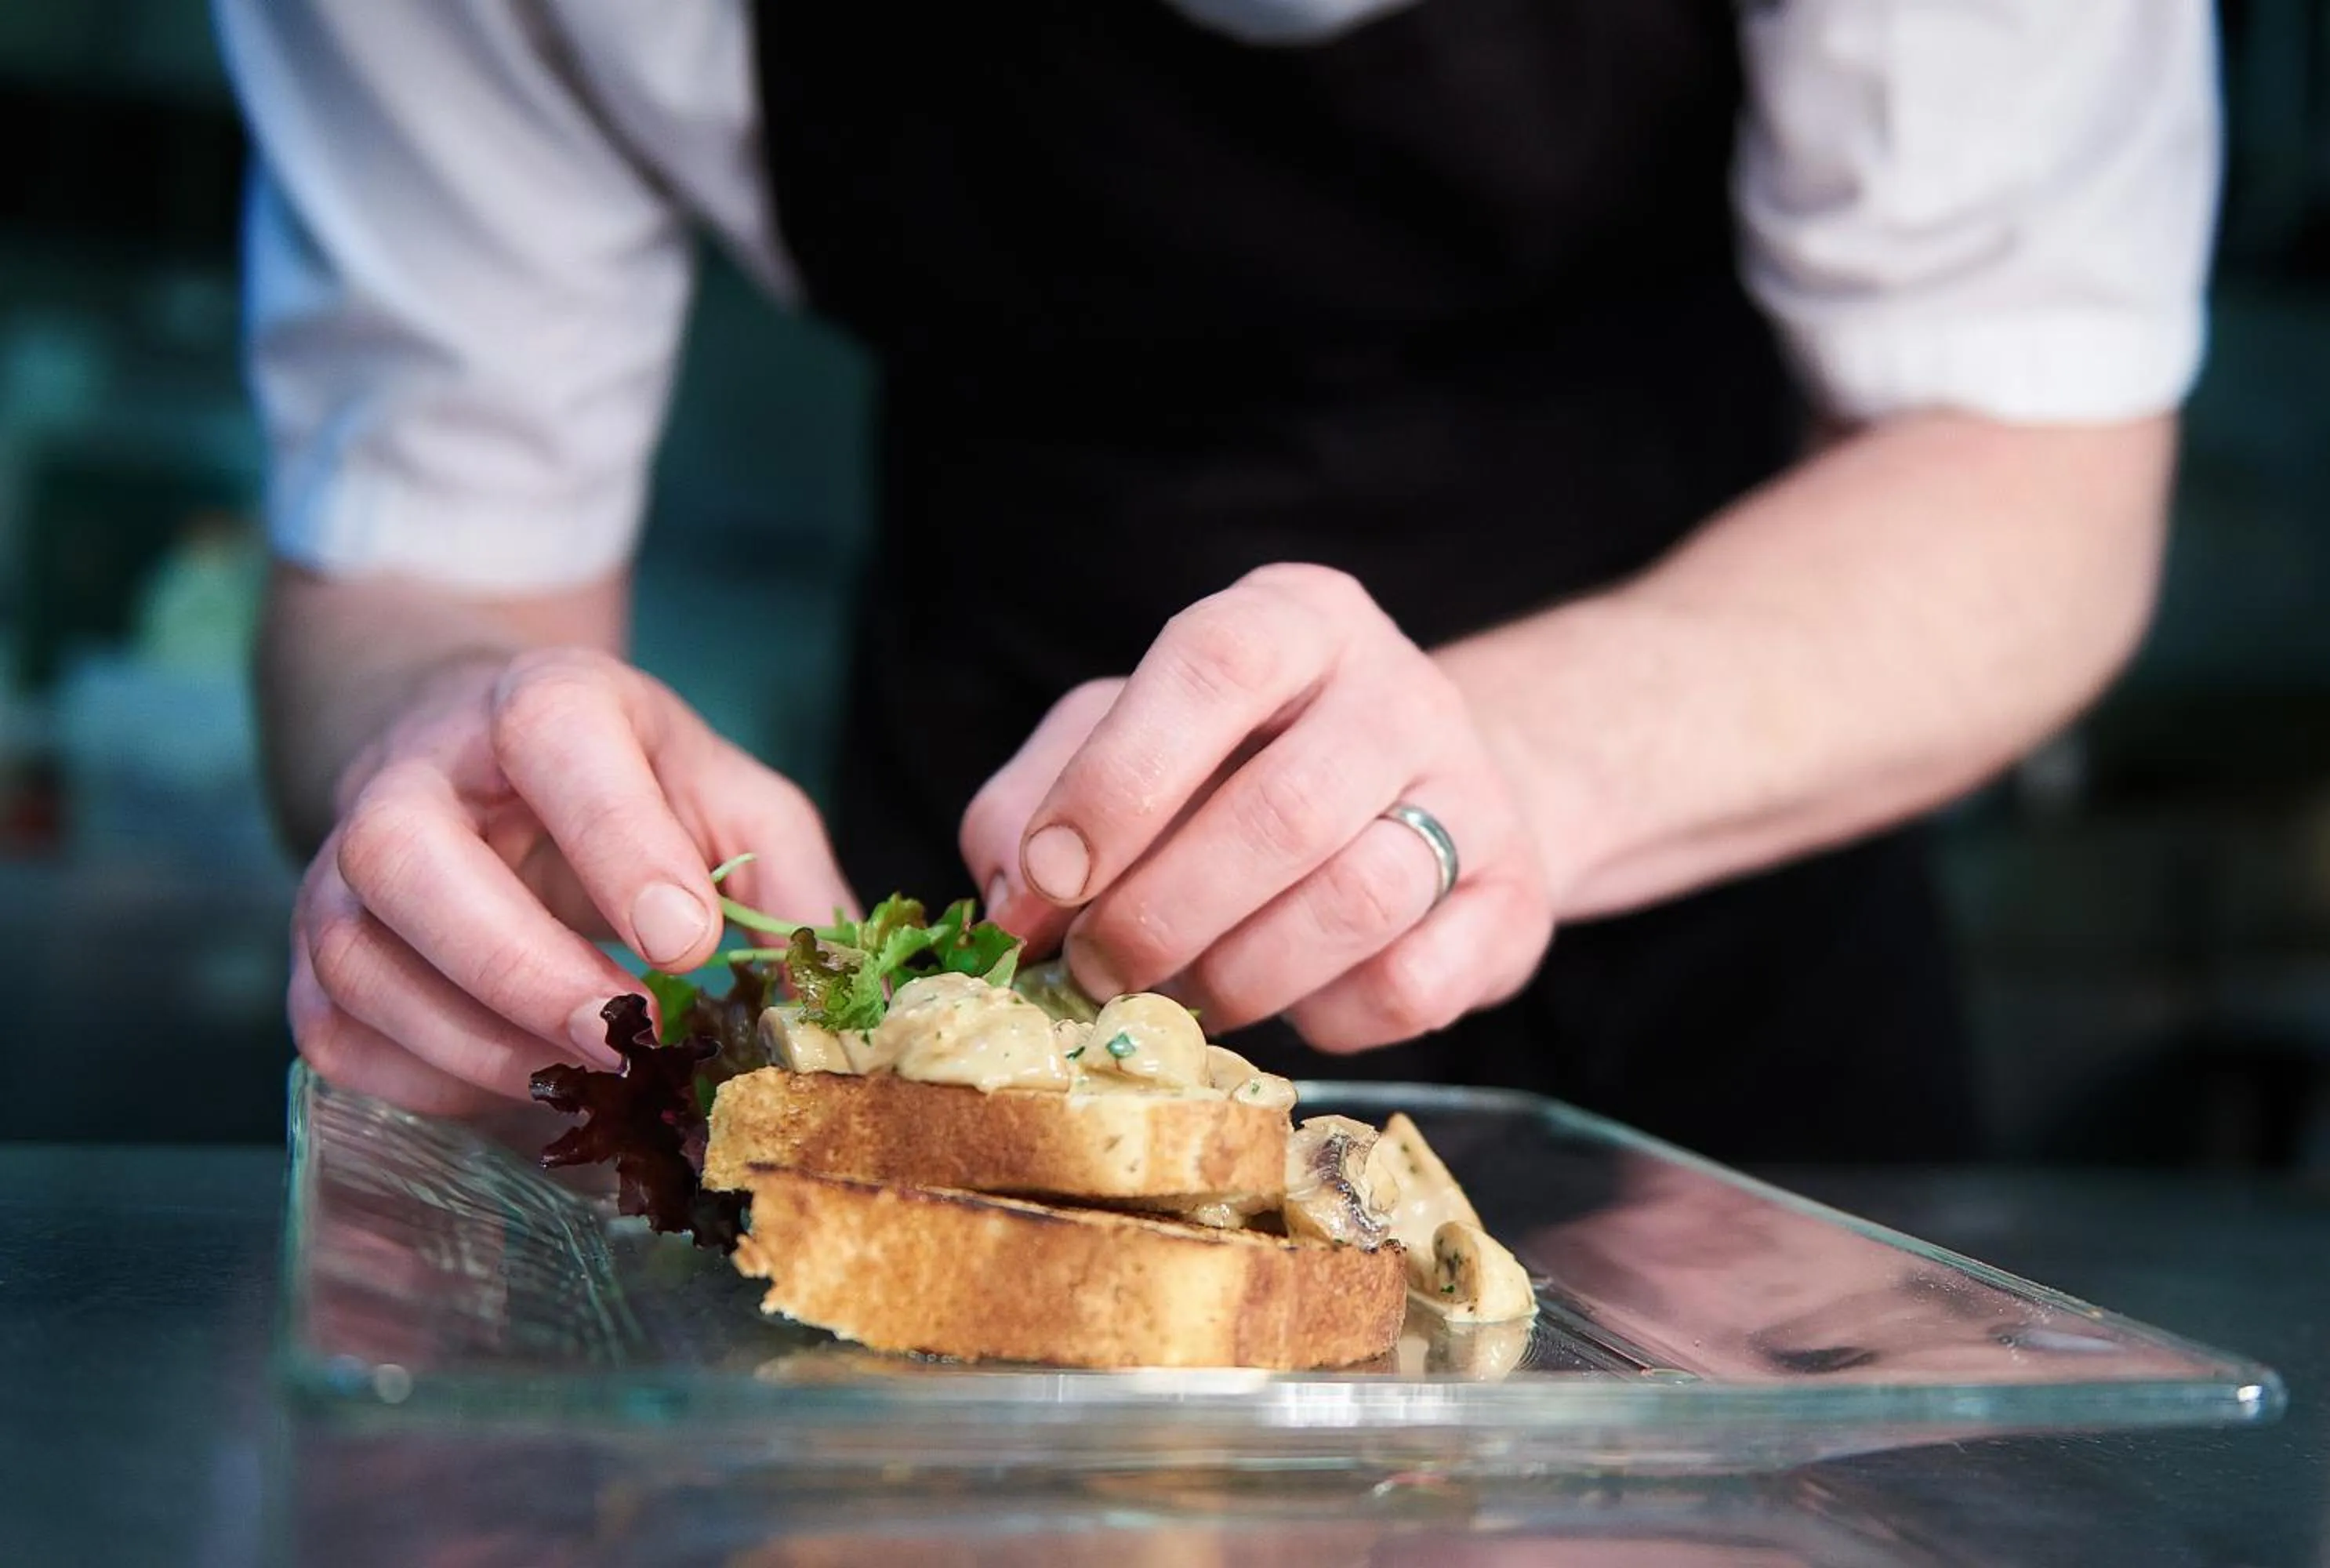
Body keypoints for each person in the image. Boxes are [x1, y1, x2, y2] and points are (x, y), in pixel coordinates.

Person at [214, 0, 2221, 1162]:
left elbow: (2034, 465)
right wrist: (458, 745)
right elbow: (421, 551)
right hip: (976, 922)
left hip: (1729, 992)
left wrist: (1506, 769)